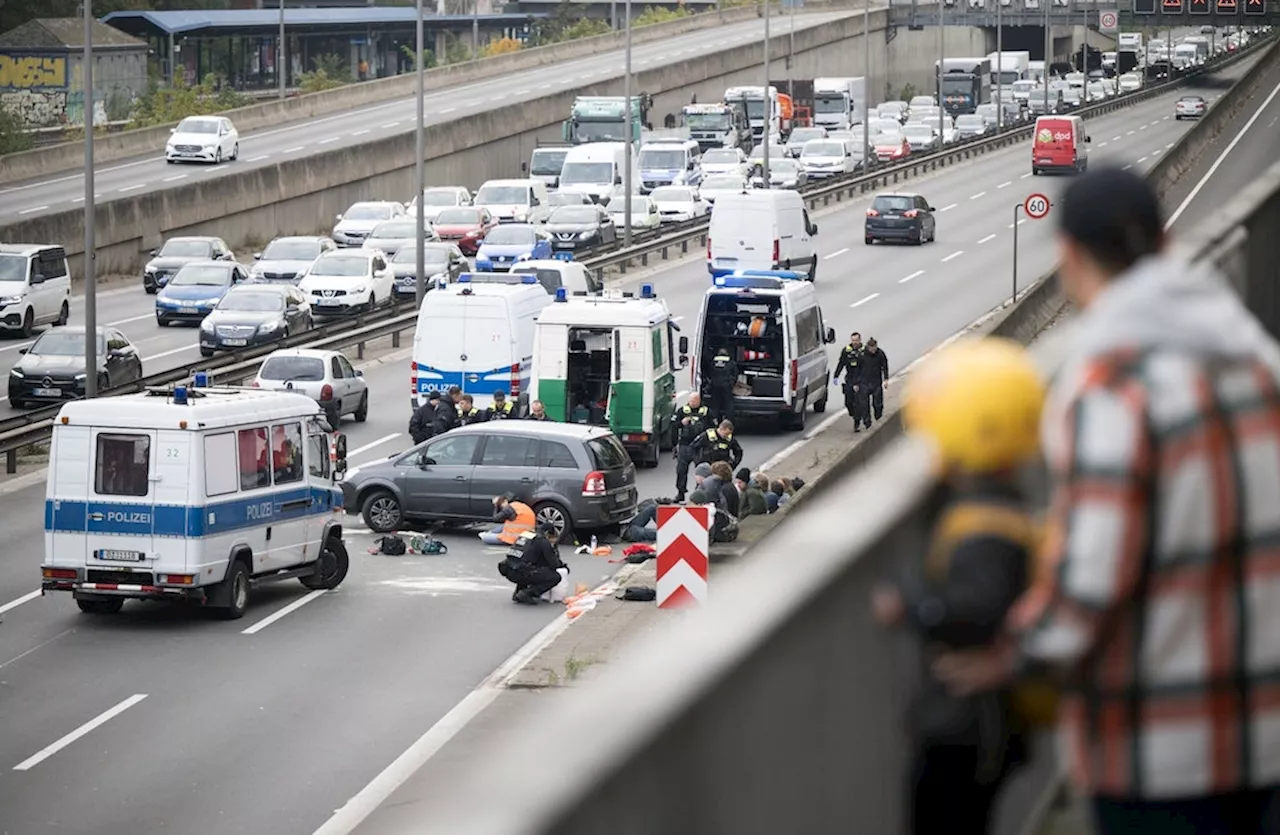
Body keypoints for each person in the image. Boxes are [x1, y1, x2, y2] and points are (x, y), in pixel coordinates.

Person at [932, 167, 1280, 835]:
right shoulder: (1255, 361)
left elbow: (1090, 582)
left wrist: (1009, 655)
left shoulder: (1115, 388)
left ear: (1068, 254)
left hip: (1161, 756)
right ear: (1165, 240)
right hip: (1263, 734)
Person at [873, 336, 1045, 835]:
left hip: (965, 726)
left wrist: (910, 604)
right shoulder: (1003, 502)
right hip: (983, 727)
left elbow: (975, 606)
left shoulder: (983, 524)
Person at [497, 522, 568, 605]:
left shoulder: (526, 535)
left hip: (508, 569)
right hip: (522, 572)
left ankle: (518, 592)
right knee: (555, 577)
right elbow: (554, 564)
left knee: (527, 565)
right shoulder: (542, 541)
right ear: (548, 534)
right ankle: (527, 593)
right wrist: (554, 549)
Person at [672, 393, 711, 502]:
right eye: (691, 401)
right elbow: (673, 426)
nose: (692, 403)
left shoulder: (706, 412)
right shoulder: (682, 411)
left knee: (701, 471)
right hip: (685, 444)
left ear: (699, 401)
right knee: (681, 470)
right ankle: (680, 493)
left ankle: (699, 493)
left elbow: (712, 428)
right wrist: (681, 423)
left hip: (699, 446)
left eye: (694, 401)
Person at [832, 332, 866, 428]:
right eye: (853, 340)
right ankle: (853, 414)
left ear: (860, 340)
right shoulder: (846, 350)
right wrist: (836, 376)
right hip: (850, 378)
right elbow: (841, 363)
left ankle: (857, 421)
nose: (855, 342)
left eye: (856, 340)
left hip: (861, 379)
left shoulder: (864, 351)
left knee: (858, 401)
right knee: (848, 402)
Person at [858, 338, 889, 426]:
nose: (873, 350)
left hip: (876, 381)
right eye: (871, 348)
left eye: (874, 348)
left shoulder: (880, 354)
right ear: (868, 347)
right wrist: (856, 382)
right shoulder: (862, 354)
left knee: (877, 403)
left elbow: (885, 366)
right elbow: (857, 368)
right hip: (864, 381)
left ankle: (878, 415)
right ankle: (867, 422)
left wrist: (886, 379)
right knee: (864, 404)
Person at [705, 344, 738, 423]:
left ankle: (714, 422)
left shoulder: (713, 362)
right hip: (726, 386)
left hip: (715, 385)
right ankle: (728, 423)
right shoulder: (731, 363)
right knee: (728, 405)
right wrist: (731, 383)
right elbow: (735, 374)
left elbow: (708, 372)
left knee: (715, 405)